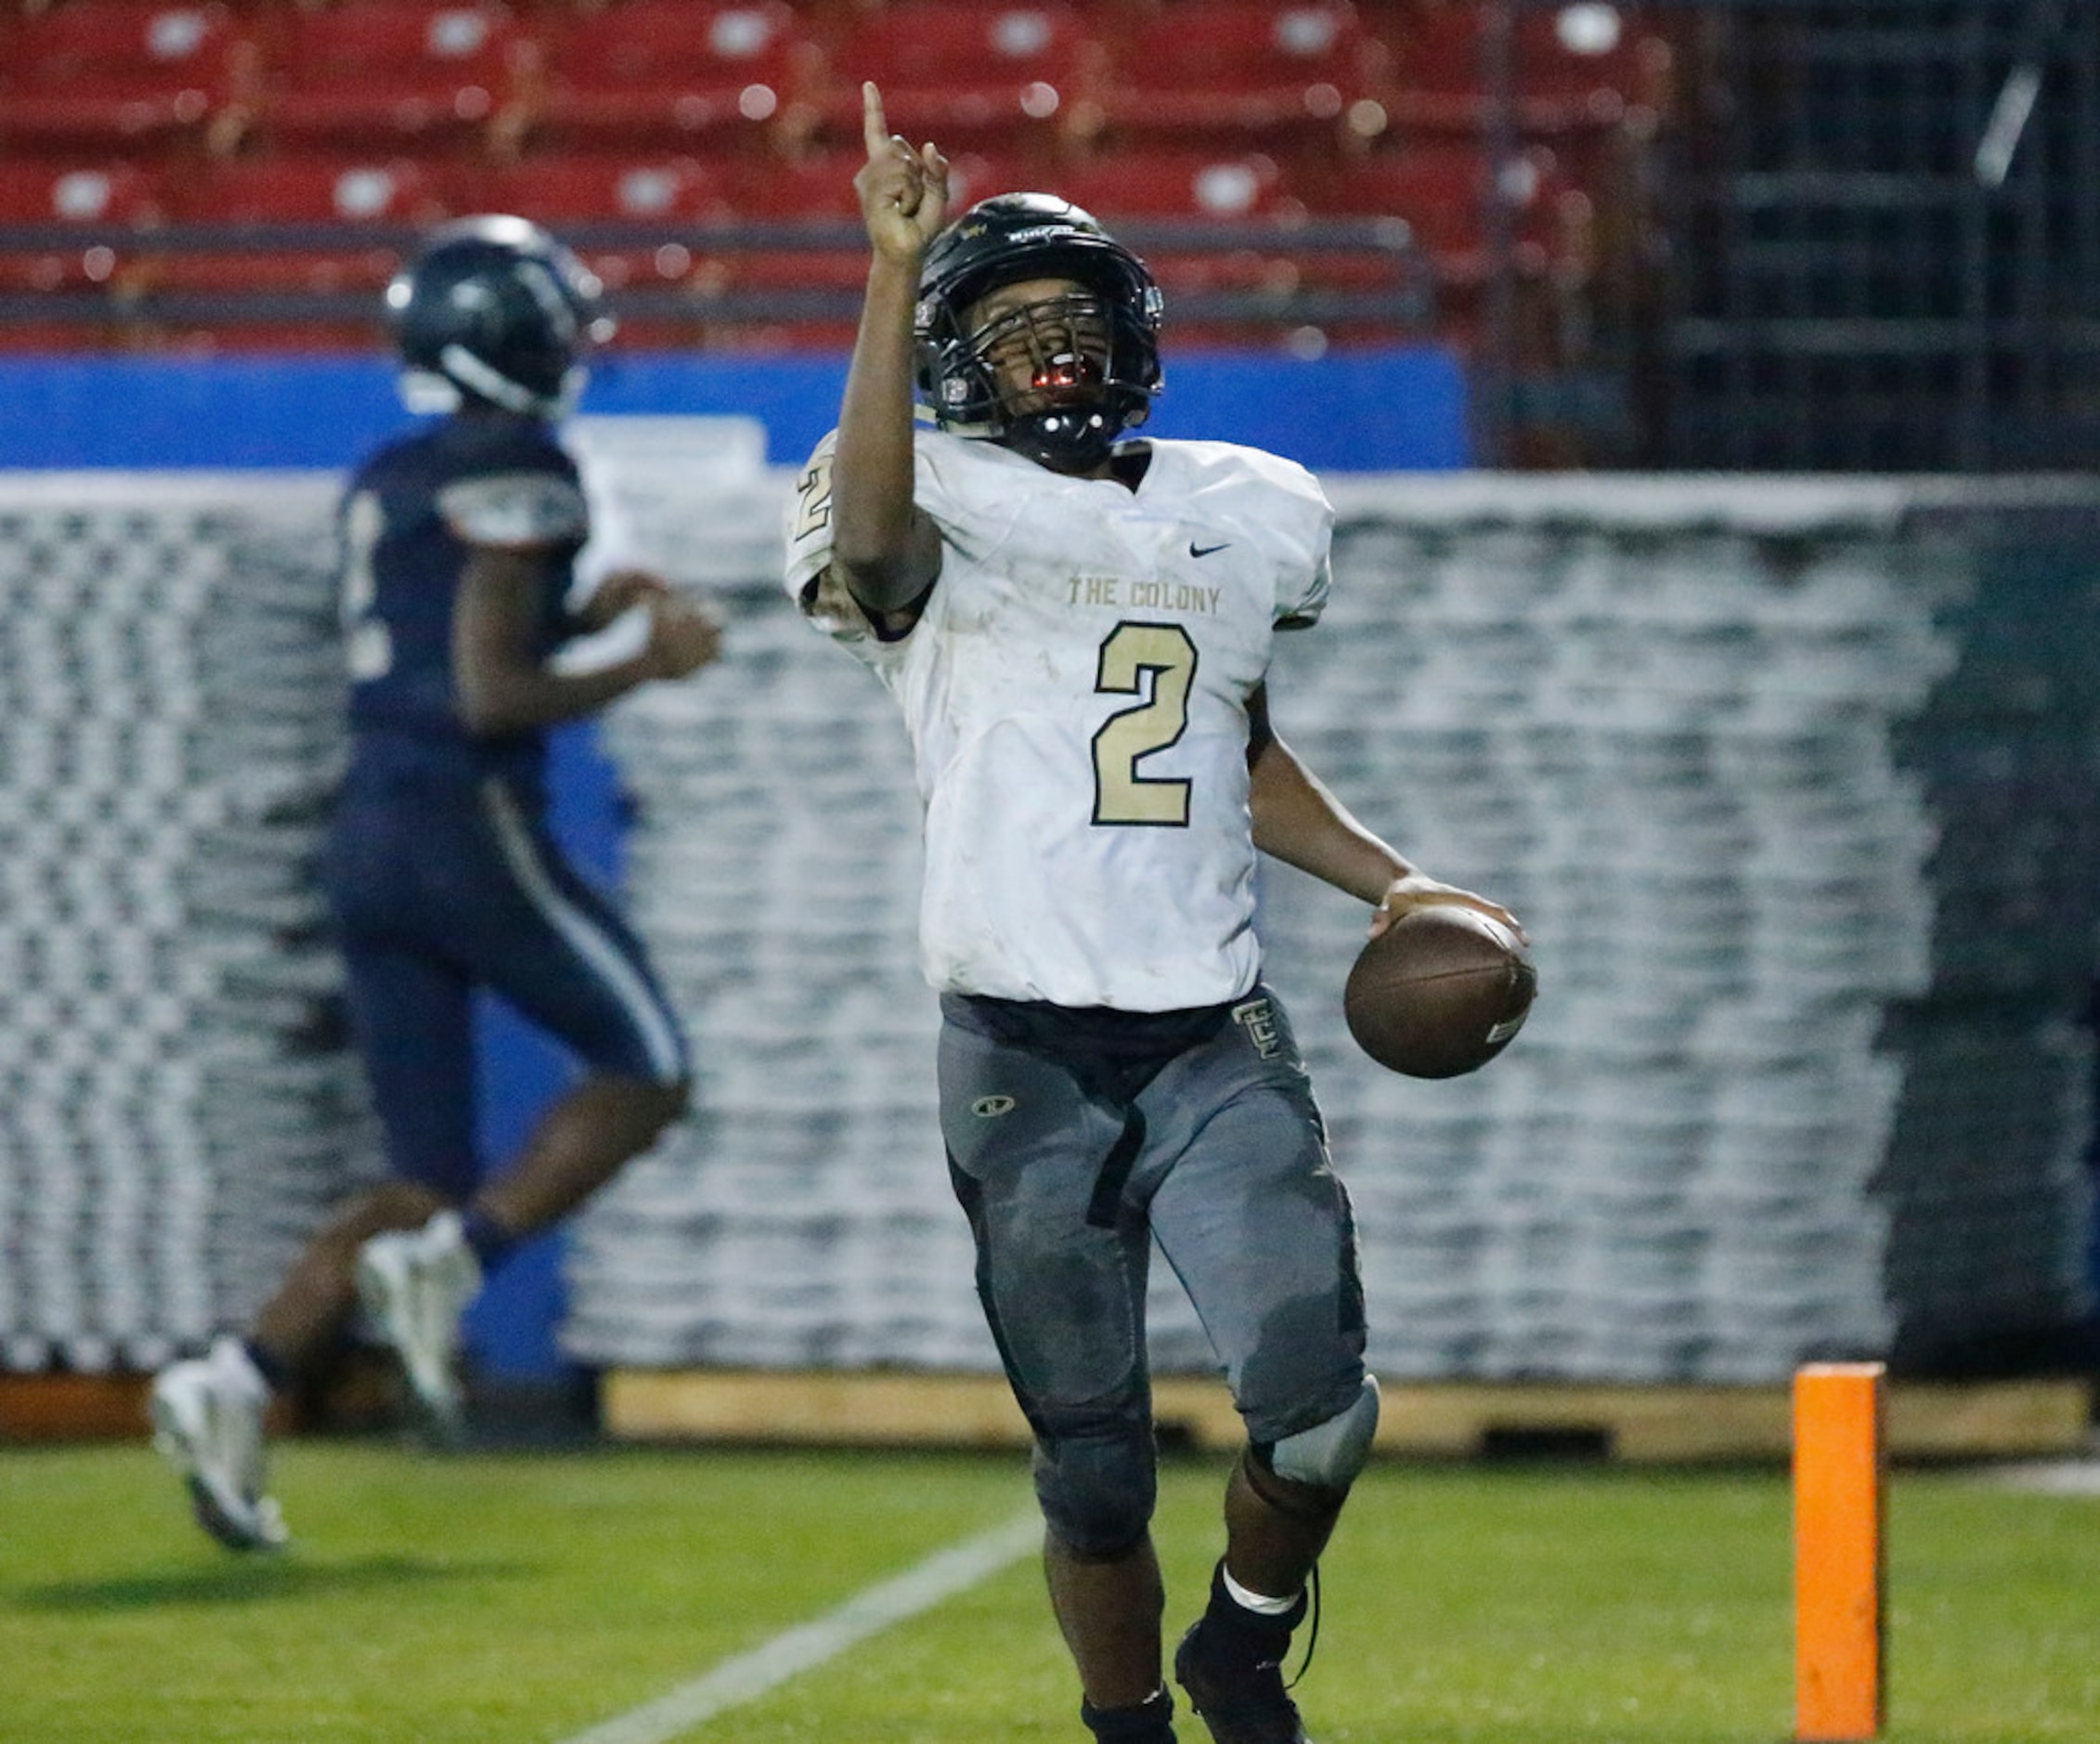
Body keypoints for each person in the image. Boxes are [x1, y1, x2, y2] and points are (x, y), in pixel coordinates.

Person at [781, 85, 1526, 1744]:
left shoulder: (1243, 502)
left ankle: (1244, 1644)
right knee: (1092, 1464)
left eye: (1073, 318)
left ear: (1135, 336)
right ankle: (1126, 1726)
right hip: (1022, 1046)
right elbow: (882, 547)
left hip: (1209, 1027)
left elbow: (1229, 751)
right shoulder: (912, 486)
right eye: (1014, 324)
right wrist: (893, 273)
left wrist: (1392, 877)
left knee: (1318, 1406)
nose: (1049, 348)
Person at [149, 215, 719, 1552]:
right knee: (647, 1066)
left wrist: (583, 613)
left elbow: (444, 632)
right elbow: (486, 689)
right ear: (515, 342)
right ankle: (460, 1260)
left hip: (367, 831)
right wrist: (653, 657)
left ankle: (238, 1377)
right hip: (463, 821)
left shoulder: (394, 470)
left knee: (421, 1172)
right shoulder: (525, 464)